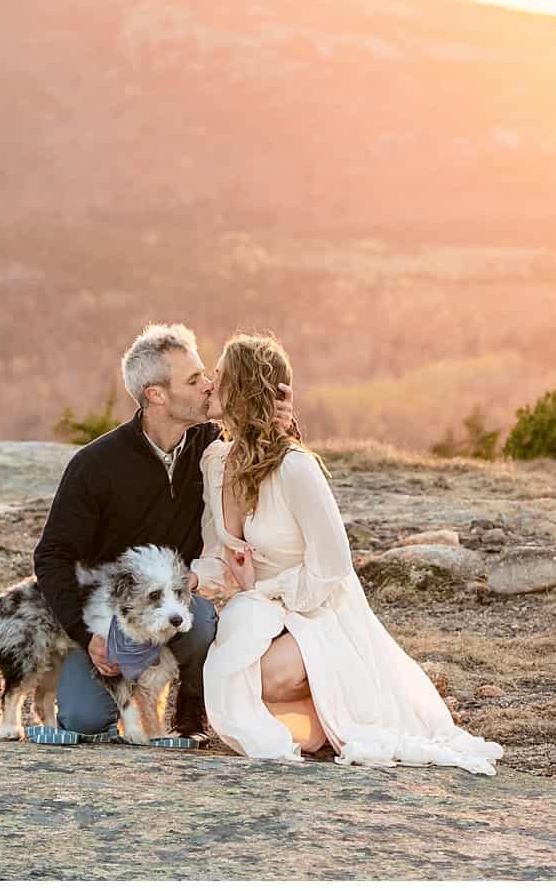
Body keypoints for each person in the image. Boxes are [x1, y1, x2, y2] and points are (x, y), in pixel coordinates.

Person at [194, 333, 504, 774]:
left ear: (242, 389)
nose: (209, 382)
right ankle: (319, 721)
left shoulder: (296, 468)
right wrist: (195, 582)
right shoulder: (216, 461)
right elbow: (218, 554)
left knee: (258, 681)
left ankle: (336, 710)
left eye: (219, 376)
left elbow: (333, 566)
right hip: (261, 610)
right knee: (226, 685)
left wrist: (267, 590)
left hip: (316, 608)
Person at [31, 322, 292, 738]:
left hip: (179, 605)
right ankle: (102, 685)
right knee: (84, 721)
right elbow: (51, 555)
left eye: (206, 374)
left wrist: (282, 426)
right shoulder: (95, 466)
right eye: (194, 379)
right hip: (109, 619)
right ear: (157, 395)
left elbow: (280, 474)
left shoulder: (213, 447)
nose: (209, 385)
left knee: (204, 622)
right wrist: (86, 636)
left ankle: (190, 708)